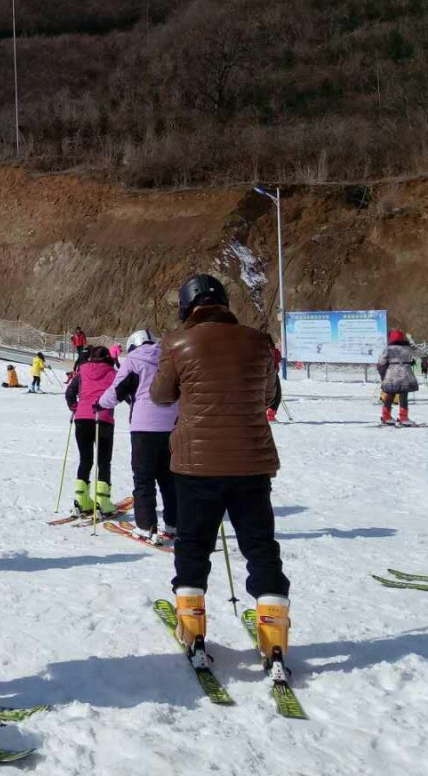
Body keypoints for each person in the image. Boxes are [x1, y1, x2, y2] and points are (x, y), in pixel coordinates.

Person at [150, 274, 291, 681]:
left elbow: (161, 395)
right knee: (261, 547)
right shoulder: (258, 341)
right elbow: (268, 395)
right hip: (251, 462)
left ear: (186, 307)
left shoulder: (177, 342)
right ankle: (274, 636)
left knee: (193, 545)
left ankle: (192, 630)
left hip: (197, 465)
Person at [99, 330, 178, 544]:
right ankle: (174, 524)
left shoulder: (132, 361)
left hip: (144, 427)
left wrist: (99, 404)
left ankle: (146, 526)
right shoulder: (168, 358)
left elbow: (117, 391)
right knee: (169, 479)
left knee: (144, 478)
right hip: (172, 425)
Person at [65, 345, 119, 515]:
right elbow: (121, 393)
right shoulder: (113, 373)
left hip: (81, 418)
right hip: (102, 419)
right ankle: (103, 501)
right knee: (103, 462)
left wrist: (76, 407)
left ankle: (82, 500)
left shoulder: (81, 371)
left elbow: (69, 393)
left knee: (85, 460)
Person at [377, 330, 420, 425]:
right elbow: (421, 353)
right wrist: (411, 342)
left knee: (390, 394)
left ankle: (386, 416)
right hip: (405, 374)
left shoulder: (388, 348)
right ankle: (403, 418)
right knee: (403, 394)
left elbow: (381, 362)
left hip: (391, 374)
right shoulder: (408, 348)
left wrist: (383, 374)